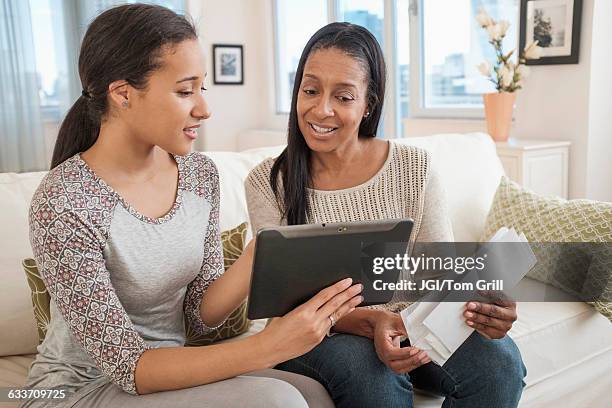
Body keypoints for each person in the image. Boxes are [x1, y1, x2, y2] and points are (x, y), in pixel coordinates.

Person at [24, 5, 363, 408]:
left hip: (168, 371)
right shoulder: (63, 202)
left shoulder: (199, 175)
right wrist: (269, 347)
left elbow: (201, 315)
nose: (204, 109)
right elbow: (130, 366)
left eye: (203, 88)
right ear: (122, 94)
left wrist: (262, 253)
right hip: (82, 388)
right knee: (278, 401)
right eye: (186, 91)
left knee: (313, 394)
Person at [245, 22, 527, 408]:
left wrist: (483, 310)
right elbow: (282, 303)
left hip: (408, 325)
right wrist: (371, 321)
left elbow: (439, 272)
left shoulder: (415, 168)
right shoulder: (268, 182)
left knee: (499, 363)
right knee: (371, 373)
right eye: (310, 90)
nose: (321, 109)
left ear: (368, 105)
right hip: (315, 333)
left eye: (343, 96)